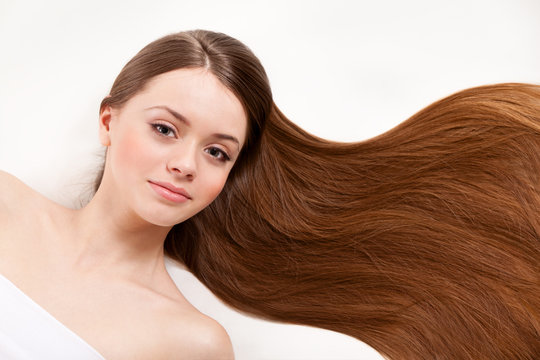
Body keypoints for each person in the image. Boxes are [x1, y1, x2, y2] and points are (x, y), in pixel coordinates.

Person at [1, 29, 539, 360]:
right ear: (108, 120)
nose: (185, 164)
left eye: (218, 152)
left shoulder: (191, 343)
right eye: (165, 129)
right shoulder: (6, 204)